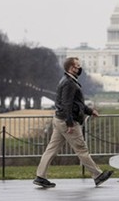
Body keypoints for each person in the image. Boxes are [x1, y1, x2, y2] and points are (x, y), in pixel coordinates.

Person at [33, 57, 113, 188]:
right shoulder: (69, 83)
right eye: (77, 66)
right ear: (71, 68)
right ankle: (98, 175)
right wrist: (70, 123)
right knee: (81, 149)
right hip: (67, 122)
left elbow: (76, 104)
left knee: (51, 150)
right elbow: (67, 105)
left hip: (60, 119)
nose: (79, 68)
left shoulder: (67, 80)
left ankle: (40, 176)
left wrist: (90, 111)